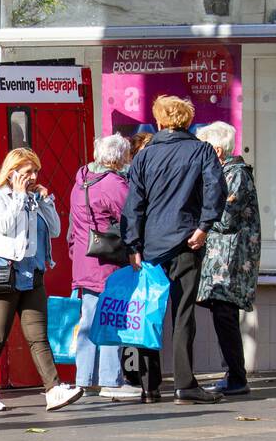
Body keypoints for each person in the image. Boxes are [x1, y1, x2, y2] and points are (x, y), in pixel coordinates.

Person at [122, 95, 227, 405]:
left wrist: (133, 245)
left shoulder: (144, 156)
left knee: (149, 314)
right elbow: (216, 190)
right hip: (186, 241)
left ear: (159, 121)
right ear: (186, 121)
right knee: (183, 316)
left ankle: (149, 387)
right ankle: (184, 384)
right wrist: (204, 227)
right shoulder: (201, 151)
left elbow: (133, 206)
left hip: (152, 246)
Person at [0, 148, 83, 414]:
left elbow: (56, 229)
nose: (33, 176)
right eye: (26, 172)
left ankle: (53, 389)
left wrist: (44, 201)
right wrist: (20, 196)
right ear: (12, 173)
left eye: (35, 171)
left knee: (38, 336)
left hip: (32, 274)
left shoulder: (34, 198)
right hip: (5, 273)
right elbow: (5, 227)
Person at [67, 134, 138, 400]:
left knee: (88, 322)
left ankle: (84, 379)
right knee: (110, 319)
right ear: (119, 157)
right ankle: (110, 380)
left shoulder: (81, 179)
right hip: (107, 262)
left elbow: (75, 226)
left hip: (84, 261)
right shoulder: (112, 183)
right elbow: (130, 218)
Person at [196, 122, 261, 397]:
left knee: (225, 314)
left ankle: (237, 376)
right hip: (221, 258)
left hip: (231, 259)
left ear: (217, 150)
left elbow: (224, 217)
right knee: (223, 315)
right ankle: (232, 374)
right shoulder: (224, 173)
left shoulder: (236, 175)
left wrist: (198, 220)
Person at [120, 131, 157, 398]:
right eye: (145, 147)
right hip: (136, 253)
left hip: (146, 250)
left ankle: (146, 380)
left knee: (143, 316)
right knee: (135, 316)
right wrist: (134, 247)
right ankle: (135, 375)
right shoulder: (131, 176)